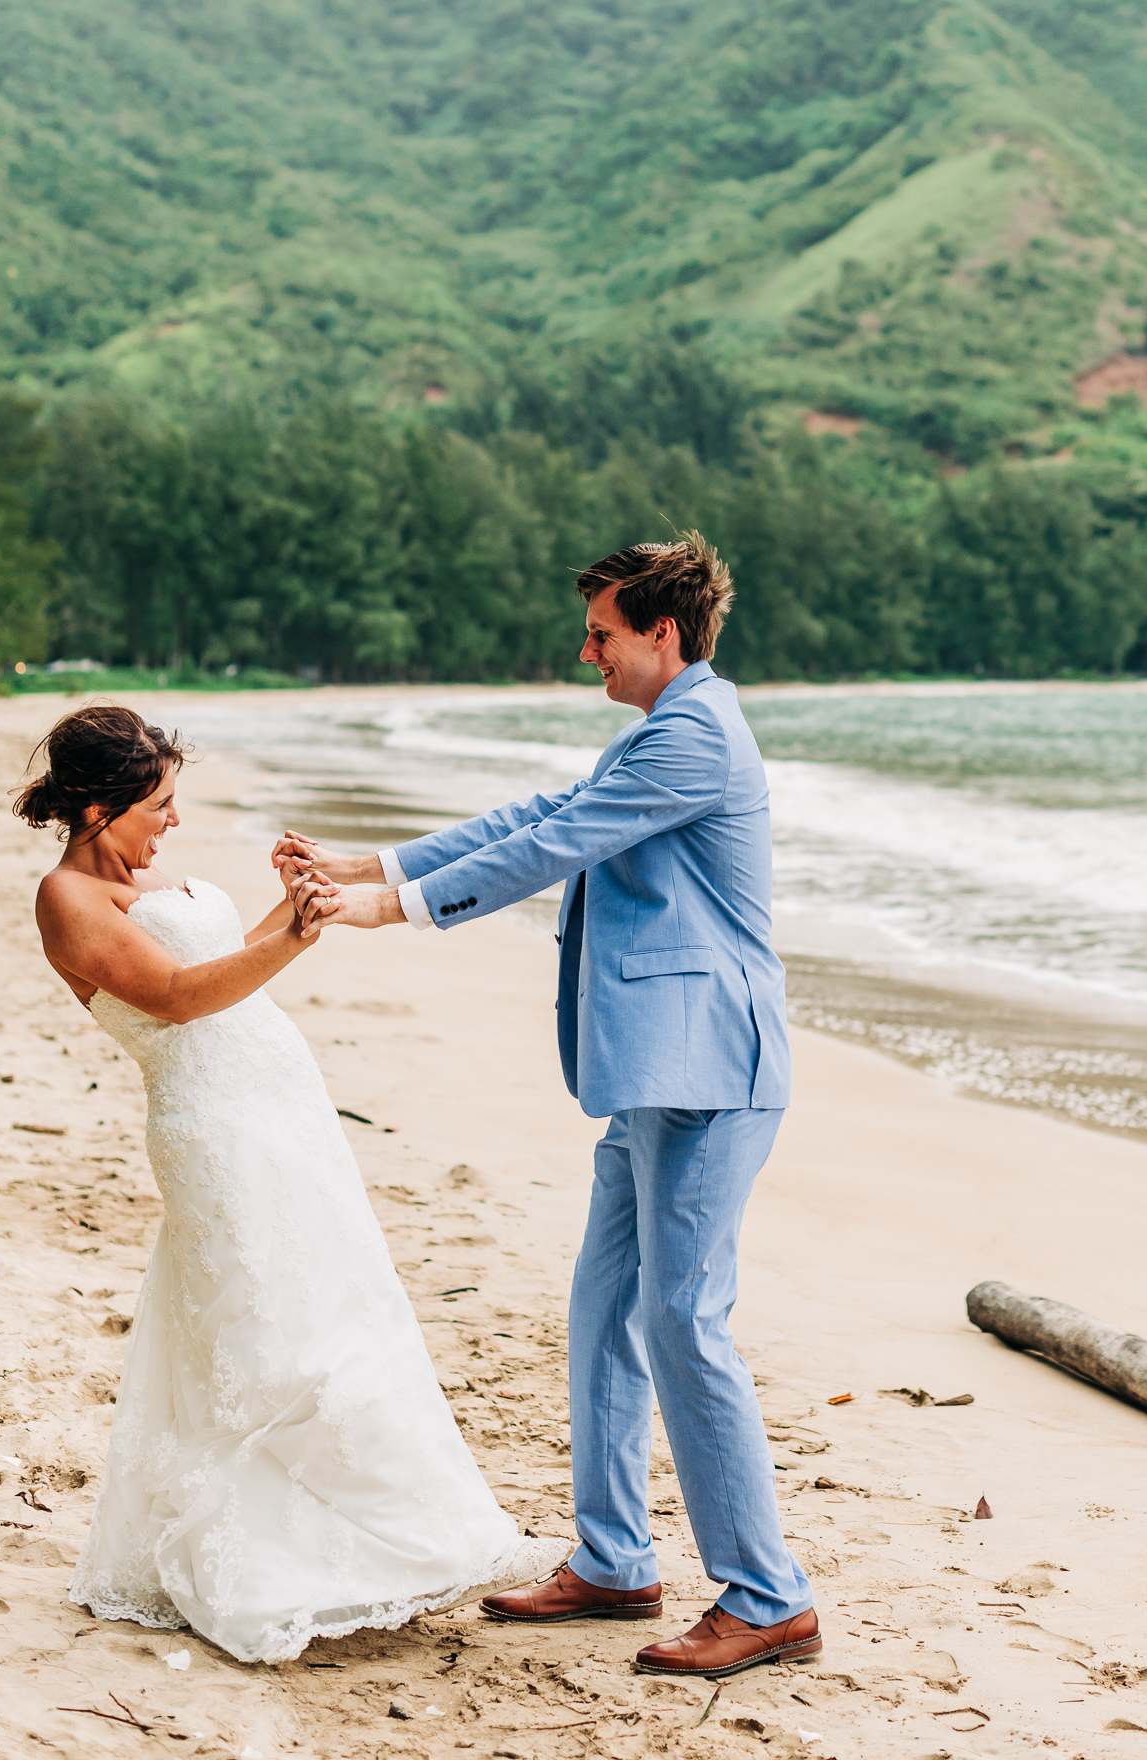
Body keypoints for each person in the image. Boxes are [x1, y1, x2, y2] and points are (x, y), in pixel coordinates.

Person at [286, 531, 821, 1680]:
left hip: (712, 1072)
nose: (588, 652)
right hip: (650, 1074)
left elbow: (560, 844)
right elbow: (530, 816)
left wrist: (395, 913)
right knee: (605, 1311)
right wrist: (370, 865)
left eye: (603, 633)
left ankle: (769, 1594)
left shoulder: (695, 736)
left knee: (684, 1318)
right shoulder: (658, 729)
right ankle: (617, 1559)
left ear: (663, 632)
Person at [24, 702, 566, 1664]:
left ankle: (387, 1539)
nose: (174, 823)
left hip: (284, 1108)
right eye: (160, 805)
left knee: (338, 1307)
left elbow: (227, 966)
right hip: (214, 1130)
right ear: (100, 806)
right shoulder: (67, 899)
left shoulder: (138, 878)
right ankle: (277, 1560)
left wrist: (294, 902)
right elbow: (183, 999)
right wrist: (297, 939)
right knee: (266, 1332)